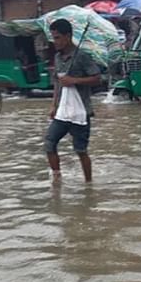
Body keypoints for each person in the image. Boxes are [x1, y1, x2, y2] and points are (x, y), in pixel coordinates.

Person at [45, 19, 103, 183]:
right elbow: (57, 83)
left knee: (81, 151)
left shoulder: (82, 56)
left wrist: (75, 80)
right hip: (62, 111)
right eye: (53, 38)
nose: (54, 42)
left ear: (68, 36)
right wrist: (53, 106)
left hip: (80, 112)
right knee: (49, 143)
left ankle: (88, 184)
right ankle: (57, 179)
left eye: (57, 38)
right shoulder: (57, 58)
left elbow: (98, 78)